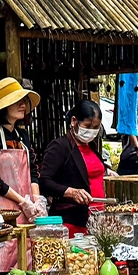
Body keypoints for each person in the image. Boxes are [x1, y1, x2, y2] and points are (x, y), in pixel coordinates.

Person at [0, 77, 47, 272]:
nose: (22, 105)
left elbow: (33, 170)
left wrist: (36, 201)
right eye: (16, 101)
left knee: (25, 265)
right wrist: (21, 201)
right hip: (0, 214)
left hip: (27, 214)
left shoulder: (22, 136)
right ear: (3, 106)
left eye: (24, 100)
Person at [40, 99, 110, 236]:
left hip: (97, 220)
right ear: (73, 121)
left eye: (96, 127)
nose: (91, 131)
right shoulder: (60, 146)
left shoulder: (92, 147)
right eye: (88, 126)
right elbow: (44, 181)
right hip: (71, 222)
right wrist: (70, 192)